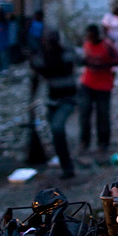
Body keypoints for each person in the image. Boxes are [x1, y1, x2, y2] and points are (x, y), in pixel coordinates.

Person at [29, 29, 78, 180]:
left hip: (68, 99)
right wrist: (31, 101)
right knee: (55, 133)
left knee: (57, 129)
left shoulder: (66, 54)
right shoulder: (41, 58)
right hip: (52, 101)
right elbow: (35, 79)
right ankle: (65, 164)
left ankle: (67, 167)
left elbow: (67, 66)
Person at [77, 24, 118, 155]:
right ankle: (84, 142)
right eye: (88, 36)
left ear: (97, 35)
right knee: (84, 115)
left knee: (102, 116)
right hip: (87, 84)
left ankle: (103, 144)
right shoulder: (86, 44)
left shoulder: (107, 46)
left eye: (92, 36)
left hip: (103, 86)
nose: (90, 38)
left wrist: (103, 65)